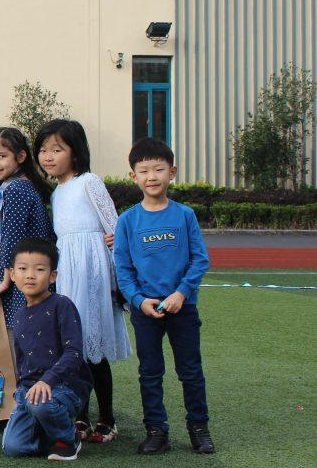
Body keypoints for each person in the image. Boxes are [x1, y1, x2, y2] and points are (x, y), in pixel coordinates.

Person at [114, 138, 214, 455]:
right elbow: (123, 269)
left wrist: (182, 293)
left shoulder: (184, 215)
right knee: (150, 373)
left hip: (183, 308)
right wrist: (138, 300)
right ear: (133, 176)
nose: (152, 176)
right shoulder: (127, 220)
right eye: (144, 171)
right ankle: (156, 431)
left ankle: (199, 429)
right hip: (146, 310)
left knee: (191, 372)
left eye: (158, 169)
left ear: (172, 172)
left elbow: (200, 260)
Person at [36, 119, 130, 444]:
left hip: (92, 271)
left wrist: (114, 254)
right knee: (72, 345)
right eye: (43, 150)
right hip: (68, 269)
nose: (48, 156)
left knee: (93, 346)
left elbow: (115, 226)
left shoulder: (89, 182)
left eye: (57, 149)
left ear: (75, 153)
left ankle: (107, 419)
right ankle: (81, 416)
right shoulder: (57, 192)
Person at [0, 238, 93, 461]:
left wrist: (47, 380)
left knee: (39, 403)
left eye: (39, 269)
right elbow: (22, 361)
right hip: (31, 390)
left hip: (65, 387)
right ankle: (51, 434)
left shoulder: (62, 305)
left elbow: (74, 353)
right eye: (23, 269)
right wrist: (20, 391)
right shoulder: (19, 315)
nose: (30, 275)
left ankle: (69, 439)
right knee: (13, 448)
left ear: (53, 276)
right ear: (12, 274)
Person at [0, 127, 55, 329]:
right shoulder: (16, 185)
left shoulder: (16, 190)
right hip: (31, 269)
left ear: (21, 156)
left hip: (24, 274)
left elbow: (12, 240)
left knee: (26, 333)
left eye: (1, 156)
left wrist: (5, 282)